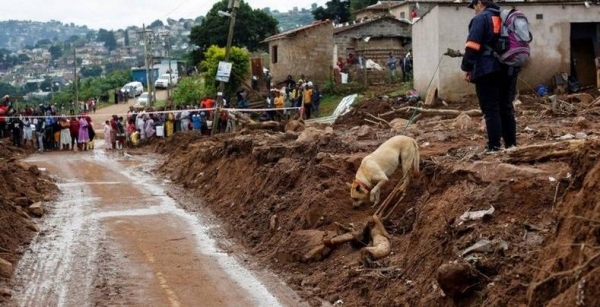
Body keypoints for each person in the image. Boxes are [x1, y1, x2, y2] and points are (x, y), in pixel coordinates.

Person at [462, 0, 518, 152]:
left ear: (480, 3)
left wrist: (466, 67)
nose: (474, 10)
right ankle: (511, 145)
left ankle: (494, 146)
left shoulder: (481, 19)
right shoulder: (506, 18)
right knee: (506, 107)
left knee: (491, 108)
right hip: (509, 69)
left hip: (487, 70)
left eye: (474, 6)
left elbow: (472, 46)